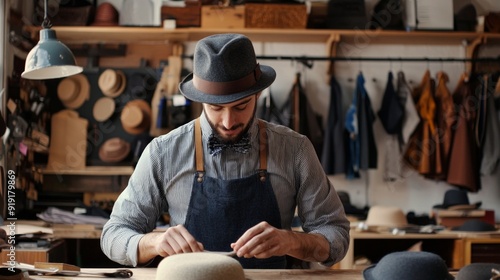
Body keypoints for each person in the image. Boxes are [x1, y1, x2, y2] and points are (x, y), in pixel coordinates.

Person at [101, 33, 350, 269]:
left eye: (241, 106)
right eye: (216, 108)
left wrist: (294, 242)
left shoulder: (295, 150)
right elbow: (113, 235)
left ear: (258, 94)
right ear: (199, 100)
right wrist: (153, 242)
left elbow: (336, 235)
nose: (229, 122)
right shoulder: (163, 152)